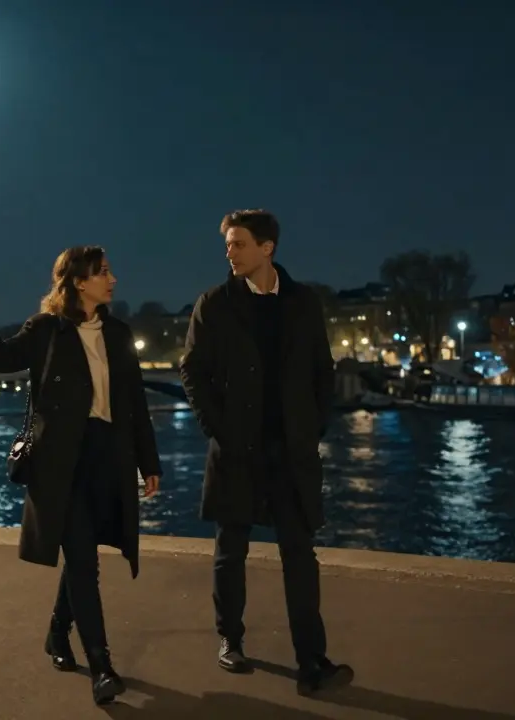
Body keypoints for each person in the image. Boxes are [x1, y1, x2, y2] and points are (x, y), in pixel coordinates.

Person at [0, 245, 162, 706]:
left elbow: (135, 406)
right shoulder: (45, 329)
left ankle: (57, 633)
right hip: (62, 463)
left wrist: (149, 463)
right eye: (104, 272)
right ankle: (102, 666)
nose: (113, 279)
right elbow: (4, 358)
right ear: (79, 282)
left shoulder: (118, 333)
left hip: (108, 458)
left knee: (83, 553)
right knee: (84, 561)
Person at [178, 209, 354, 696]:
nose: (228, 253)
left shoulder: (303, 302)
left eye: (238, 244)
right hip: (238, 449)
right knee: (229, 552)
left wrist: (315, 424)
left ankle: (311, 662)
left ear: (267, 248)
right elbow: (191, 371)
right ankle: (229, 640)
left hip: (291, 451)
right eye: (228, 245)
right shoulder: (213, 304)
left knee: (301, 555)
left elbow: (323, 367)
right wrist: (219, 430)